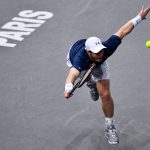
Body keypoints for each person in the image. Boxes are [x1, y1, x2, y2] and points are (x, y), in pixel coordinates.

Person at [64, 6, 150, 144]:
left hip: (98, 66)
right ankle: (89, 82)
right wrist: (68, 88)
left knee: (105, 94)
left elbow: (122, 31)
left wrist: (139, 17)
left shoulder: (106, 49)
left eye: (101, 51)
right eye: (96, 52)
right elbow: (72, 74)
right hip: (78, 59)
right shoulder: (79, 59)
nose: (100, 54)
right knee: (85, 75)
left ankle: (110, 125)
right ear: (88, 52)